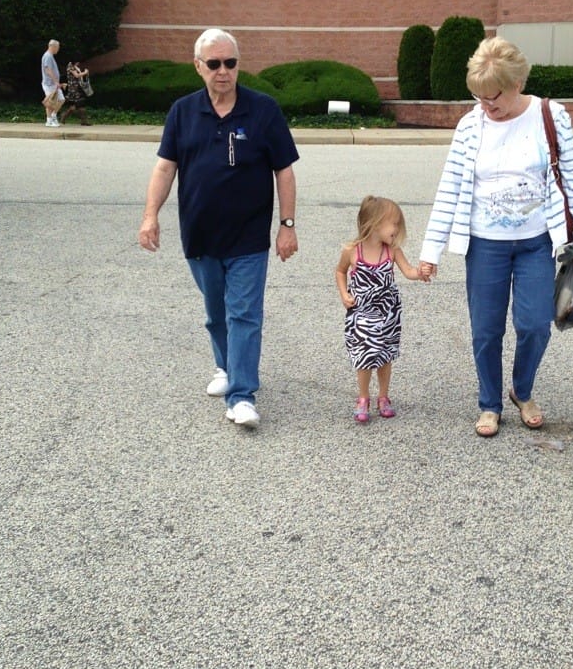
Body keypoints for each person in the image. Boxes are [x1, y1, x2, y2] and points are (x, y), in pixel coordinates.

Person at [418, 35, 573, 438]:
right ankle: (489, 403)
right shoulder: (470, 126)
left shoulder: (550, 116)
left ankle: (522, 390)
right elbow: (449, 188)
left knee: (535, 325)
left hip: (536, 241)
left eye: (493, 96)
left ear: (517, 83)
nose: (486, 105)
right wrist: (431, 250)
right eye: (479, 97)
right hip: (484, 245)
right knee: (486, 330)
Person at [137, 28, 299, 429]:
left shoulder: (263, 110)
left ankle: (241, 396)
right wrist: (150, 215)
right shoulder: (183, 112)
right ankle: (226, 366)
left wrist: (287, 225)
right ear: (198, 67)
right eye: (214, 64)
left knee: (244, 313)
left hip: (249, 237)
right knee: (216, 313)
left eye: (230, 63)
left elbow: (284, 170)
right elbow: (165, 168)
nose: (223, 71)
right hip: (201, 235)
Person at [336, 195, 426, 423]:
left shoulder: (392, 251)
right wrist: (344, 293)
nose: (397, 229)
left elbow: (408, 271)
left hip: (388, 314)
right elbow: (340, 271)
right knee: (364, 356)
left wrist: (421, 272)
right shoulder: (352, 251)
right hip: (362, 313)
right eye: (393, 224)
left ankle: (383, 396)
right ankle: (363, 397)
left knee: (385, 356)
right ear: (374, 224)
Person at [60, 59, 91, 125]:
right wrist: (85, 72)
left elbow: (79, 75)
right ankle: (65, 115)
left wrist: (84, 73)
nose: (78, 63)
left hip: (78, 88)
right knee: (79, 104)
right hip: (73, 89)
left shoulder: (75, 66)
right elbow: (76, 75)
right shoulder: (70, 66)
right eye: (77, 62)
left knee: (79, 104)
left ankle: (65, 116)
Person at [40, 39, 63, 127]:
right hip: (49, 84)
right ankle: (50, 120)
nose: (58, 49)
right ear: (53, 46)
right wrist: (56, 81)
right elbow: (48, 70)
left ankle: (52, 117)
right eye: (58, 47)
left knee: (61, 99)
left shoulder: (50, 56)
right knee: (51, 102)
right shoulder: (48, 56)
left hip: (52, 84)